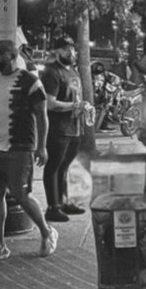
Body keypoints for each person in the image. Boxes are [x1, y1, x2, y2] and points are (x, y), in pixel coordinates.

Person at [0, 40, 58, 262]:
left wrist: (41, 146)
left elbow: (42, 116)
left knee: (21, 195)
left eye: (1, 53)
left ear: (13, 55)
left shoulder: (30, 81)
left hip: (20, 149)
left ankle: (47, 231)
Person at [41, 35, 87, 222]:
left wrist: (83, 108)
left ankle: (64, 201)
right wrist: (74, 106)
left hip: (75, 127)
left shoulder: (73, 71)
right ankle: (53, 206)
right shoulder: (51, 72)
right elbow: (50, 103)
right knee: (54, 166)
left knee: (65, 166)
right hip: (58, 128)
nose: (71, 52)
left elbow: (76, 97)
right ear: (56, 51)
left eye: (72, 49)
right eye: (66, 49)